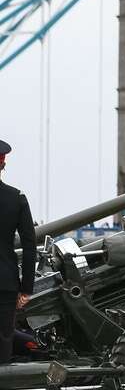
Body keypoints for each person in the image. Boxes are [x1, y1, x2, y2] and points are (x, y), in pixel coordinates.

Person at [0, 140, 35, 365]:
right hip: (5, 283)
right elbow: (30, 244)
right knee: (4, 339)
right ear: (3, 162)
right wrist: (26, 289)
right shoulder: (16, 197)